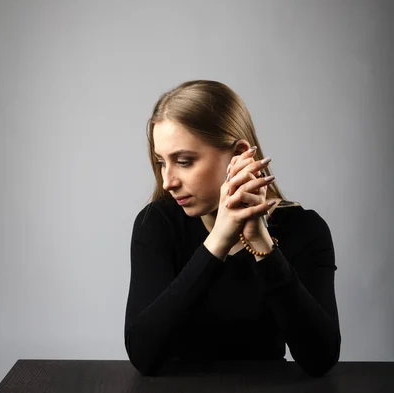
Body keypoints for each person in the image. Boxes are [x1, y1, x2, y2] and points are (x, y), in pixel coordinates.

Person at [124, 80, 341, 377]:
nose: (167, 181)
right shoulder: (157, 225)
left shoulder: (305, 229)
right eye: (161, 162)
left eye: (184, 162)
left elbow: (321, 359)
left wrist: (261, 244)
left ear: (238, 154)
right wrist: (219, 240)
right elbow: (143, 354)